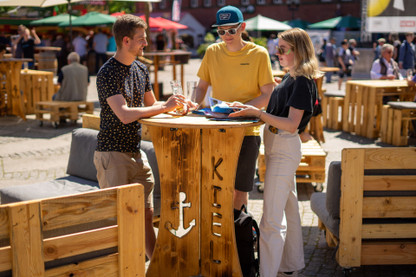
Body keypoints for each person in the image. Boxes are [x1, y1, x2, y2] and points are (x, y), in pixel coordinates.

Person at [229, 27, 321, 277]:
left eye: (282, 49)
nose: (277, 53)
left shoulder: (301, 80)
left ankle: (268, 272)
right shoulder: (292, 77)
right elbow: (277, 115)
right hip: (277, 147)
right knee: (290, 209)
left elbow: (292, 124)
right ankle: (290, 266)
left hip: (283, 147)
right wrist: (247, 108)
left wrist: (257, 113)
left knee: (271, 218)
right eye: (276, 49)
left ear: (298, 51)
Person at [94, 14, 185, 259]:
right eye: (141, 39)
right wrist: (164, 107)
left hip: (135, 153)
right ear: (125, 41)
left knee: (146, 216)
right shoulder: (107, 72)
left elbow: (152, 108)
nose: (146, 43)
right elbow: (124, 114)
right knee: (117, 220)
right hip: (112, 154)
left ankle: (155, 266)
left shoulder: (141, 69)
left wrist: (179, 109)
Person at [194, 6, 275, 212]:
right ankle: (220, 234)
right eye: (221, 31)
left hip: (247, 130)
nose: (226, 35)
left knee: (240, 190)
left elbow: (268, 93)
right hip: (217, 129)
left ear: (242, 27)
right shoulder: (212, 51)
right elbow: (202, 86)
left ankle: (238, 235)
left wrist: (245, 109)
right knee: (217, 186)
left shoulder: (259, 53)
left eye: (231, 30)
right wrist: (194, 105)